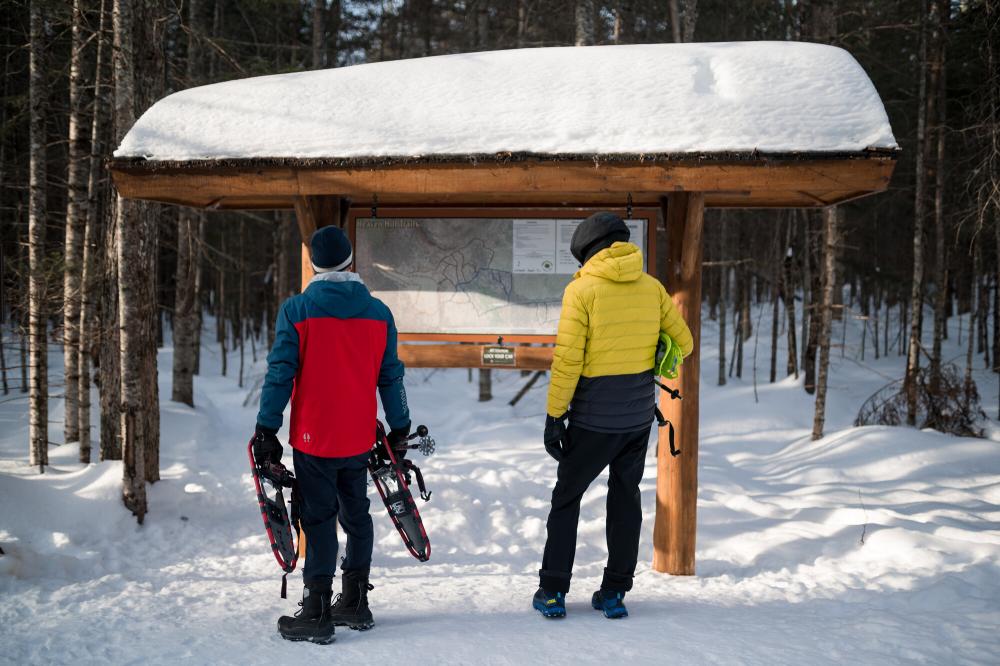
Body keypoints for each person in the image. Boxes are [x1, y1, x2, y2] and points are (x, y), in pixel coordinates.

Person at [253, 225, 411, 644]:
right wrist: (401, 427)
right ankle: (356, 602)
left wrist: (266, 427)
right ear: (350, 260)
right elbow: (390, 375)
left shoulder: (298, 310)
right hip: (359, 437)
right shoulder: (378, 313)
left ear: (314, 265)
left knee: (318, 517)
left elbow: (281, 372)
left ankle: (318, 609)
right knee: (356, 513)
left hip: (314, 438)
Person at [533, 212, 693, 620]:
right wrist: (651, 352)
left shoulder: (583, 291)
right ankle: (614, 593)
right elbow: (684, 343)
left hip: (591, 420)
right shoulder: (652, 288)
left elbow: (568, 361)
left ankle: (552, 592)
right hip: (637, 419)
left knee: (566, 500)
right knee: (625, 499)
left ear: (588, 251)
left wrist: (555, 417)